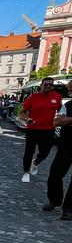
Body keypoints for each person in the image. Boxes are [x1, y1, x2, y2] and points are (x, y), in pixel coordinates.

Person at [18, 77, 62, 183]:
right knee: (29, 151)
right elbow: (21, 112)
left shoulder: (57, 97)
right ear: (41, 86)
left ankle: (36, 162)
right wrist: (27, 119)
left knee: (45, 152)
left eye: (51, 85)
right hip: (33, 129)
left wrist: (59, 120)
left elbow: (61, 111)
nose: (48, 86)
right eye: (46, 84)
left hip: (48, 129)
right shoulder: (33, 98)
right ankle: (26, 173)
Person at [43, 81, 72, 220]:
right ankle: (54, 200)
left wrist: (68, 120)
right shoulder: (68, 105)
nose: (70, 93)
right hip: (66, 145)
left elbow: (63, 120)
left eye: (71, 90)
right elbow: (57, 122)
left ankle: (68, 209)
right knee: (55, 174)